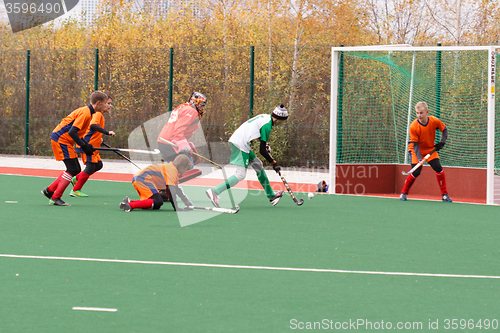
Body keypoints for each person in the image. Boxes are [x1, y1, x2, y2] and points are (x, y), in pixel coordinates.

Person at [205, 105, 289, 208]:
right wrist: (273, 162)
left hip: (240, 141)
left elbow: (255, 133)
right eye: (283, 121)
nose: (282, 123)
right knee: (240, 175)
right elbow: (262, 150)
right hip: (240, 144)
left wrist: (265, 145)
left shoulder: (266, 118)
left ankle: (272, 196)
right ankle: (214, 191)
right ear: (279, 119)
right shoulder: (268, 125)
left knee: (258, 165)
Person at [41, 91, 107, 206]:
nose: (107, 106)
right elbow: (72, 132)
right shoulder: (86, 113)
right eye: (105, 103)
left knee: (75, 169)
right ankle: (55, 197)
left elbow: (78, 133)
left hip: (65, 140)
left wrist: (86, 144)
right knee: (73, 169)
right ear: (98, 103)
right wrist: (84, 145)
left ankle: (49, 190)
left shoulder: (89, 113)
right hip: (61, 139)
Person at [400, 101, 452, 202]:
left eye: (421, 113)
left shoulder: (434, 121)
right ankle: (403, 193)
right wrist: (420, 159)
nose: (419, 115)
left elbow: (444, 129)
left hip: (429, 149)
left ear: (427, 112)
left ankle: (445, 195)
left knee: (438, 168)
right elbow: (415, 144)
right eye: (417, 113)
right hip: (415, 149)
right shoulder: (414, 126)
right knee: (416, 172)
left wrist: (443, 142)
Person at [70, 94, 116, 197]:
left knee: (98, 165)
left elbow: (90, 129)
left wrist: (99, 138)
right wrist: (107, 132)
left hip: (93, 146)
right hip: (87, 145)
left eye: (110, 104)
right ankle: (75, 189)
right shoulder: (97, 114)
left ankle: (77, 178)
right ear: (101, 103)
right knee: (90, 167)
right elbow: (93, 126)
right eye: (108, 103)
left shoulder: (100, 115)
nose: (109, 106)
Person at [119, 154, 193, 212]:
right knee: (158, 201)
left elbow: (177, 190)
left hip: (141, 178)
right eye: (186, 169)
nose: (185, 172)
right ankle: (131, 205)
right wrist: (176, 208)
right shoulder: (172, 170)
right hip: (144, 178)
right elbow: (171, 191)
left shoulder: (172, 169)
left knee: (156, 204)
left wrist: (186, 202)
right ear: (182, 167)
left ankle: (130, 202)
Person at [156, 92, 207, 165]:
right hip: (171, 142)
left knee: (176, 166)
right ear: (194, 103)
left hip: (165, 140)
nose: (202, 108)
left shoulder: (183, 107)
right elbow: (180, 128)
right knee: (185, 166)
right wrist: (180, 143)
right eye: (201, 105)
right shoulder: (191, 111)